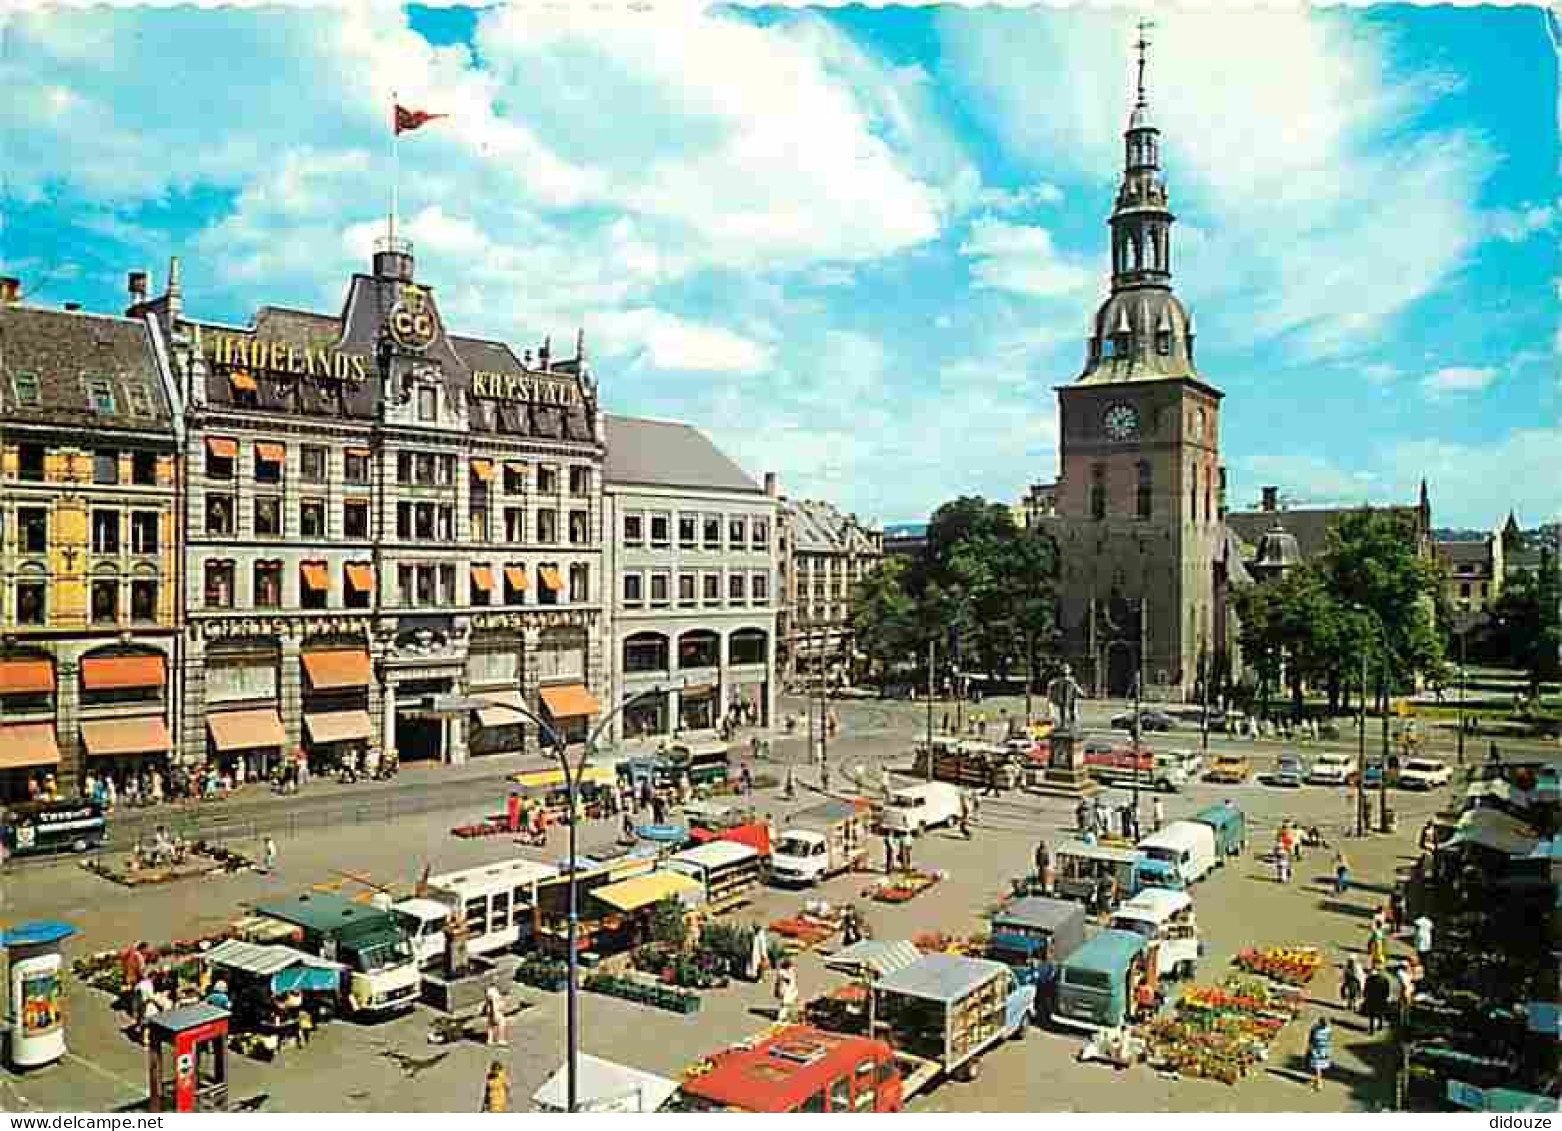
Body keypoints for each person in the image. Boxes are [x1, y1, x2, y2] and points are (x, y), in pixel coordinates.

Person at [1306, 1016, 1333, 1091]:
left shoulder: (1314, 1028)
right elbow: (1329, 1040)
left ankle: (1319, 1083)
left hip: (1317, 1049)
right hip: (1323, 1050)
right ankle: (1317, 1080)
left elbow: (1310, 1039)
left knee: (1317, 1067)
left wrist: (1309, 1047)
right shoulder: (1328, 1030)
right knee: (1318, 1067)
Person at [1363, 966, 1392, 1034]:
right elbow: (1387, 989)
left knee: (1372, 1016)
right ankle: (1380, 1026)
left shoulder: (1369, 979)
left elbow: (1366, 989)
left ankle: (1371, 1029)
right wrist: (1386, 997)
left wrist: (1365, 996)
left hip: (1371, 999)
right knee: (1380, 1014)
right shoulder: (1384, 979)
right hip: (1381, 999)